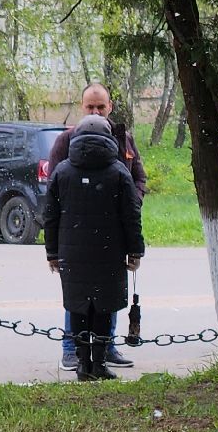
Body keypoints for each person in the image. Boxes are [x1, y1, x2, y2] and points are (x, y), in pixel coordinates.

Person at [50, 83, 147, 372]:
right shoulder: (66, 141)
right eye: (90, 107)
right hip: (76, 234)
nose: (95, 111)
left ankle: (106, 348)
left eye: (100, 107)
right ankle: (72, 350)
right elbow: (55, 189)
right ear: (82, 107)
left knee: (110, 293)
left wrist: (129, 205)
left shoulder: (123, 139)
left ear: (110, 107)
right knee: (77, 295)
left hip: (112, 234)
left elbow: (138, 178)